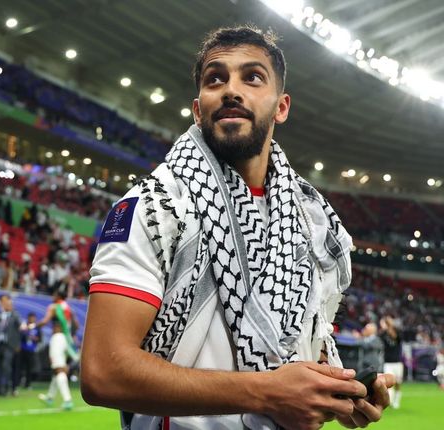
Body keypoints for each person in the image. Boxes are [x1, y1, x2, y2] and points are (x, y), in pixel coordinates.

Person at [81, 26, 395, 430]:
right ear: (198, 110)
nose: (231, 90)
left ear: (281, 107)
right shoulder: (155, 206)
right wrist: (268, 392)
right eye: (215, 78)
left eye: (252, 77)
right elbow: (103, 372)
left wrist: (336, 394)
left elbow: (295, 353)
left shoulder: (309, 223)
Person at [38, 319, 74, 410]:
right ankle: (50, 397)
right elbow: (67, 350)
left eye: (54, 327)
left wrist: (60, 364)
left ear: (59, 328)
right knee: (56, 377)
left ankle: (67, 400)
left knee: (59, 374)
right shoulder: (63, 337)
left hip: (58, 360)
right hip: (60, 360)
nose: (53, 329)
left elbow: (56, 352)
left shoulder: (57, 337)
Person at [0, 294, 21, 396]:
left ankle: (6, 388)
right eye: (3, 302)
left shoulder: (15, 315)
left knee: (7, 367)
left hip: (9, 345)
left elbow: (19, 328)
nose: (5, 304)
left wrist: (17, 344)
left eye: (7, 303)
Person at [380, 315, 403, 409]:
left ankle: (396, 400)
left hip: (397, 362)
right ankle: (390, 401)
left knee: (398, 383)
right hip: (388, 362)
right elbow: (380, 335)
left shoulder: (397, 333)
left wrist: (390, 326)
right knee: (389, 382)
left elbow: (398, 337)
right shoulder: (383, 334)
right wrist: (385, 328)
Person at [18, 312, 41, 390]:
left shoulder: (37, 327)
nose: (32, 319)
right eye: (31, 318)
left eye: (33, 318)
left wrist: (34, 338)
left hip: (31, 350)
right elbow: (20, 335)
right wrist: (26, 331)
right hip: (23, 349)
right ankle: (18, 382)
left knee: (29, 368)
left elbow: (39, 339)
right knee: (20, 367)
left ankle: (28, 384)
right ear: (28, 318)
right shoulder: (24, 326)